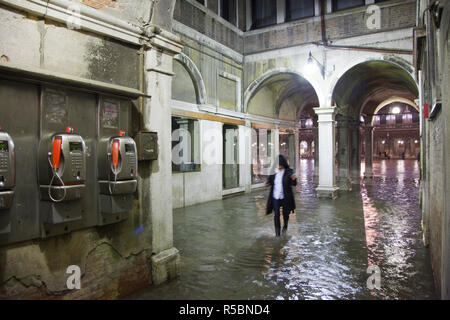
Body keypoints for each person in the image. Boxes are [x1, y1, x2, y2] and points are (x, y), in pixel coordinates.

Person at [266, 155, 297, 237]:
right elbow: (269, 181)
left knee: (285, 214)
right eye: (277, 164)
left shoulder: (289, 171)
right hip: (275, 197)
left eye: (280, 164)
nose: (278, 166)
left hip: (285, 197)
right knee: (276, 215)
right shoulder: (273, 172)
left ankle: (285, 226)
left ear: (283, 164)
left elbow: (294, 184)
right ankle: (277, 234)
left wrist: (294, 179)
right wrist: (267, 184)